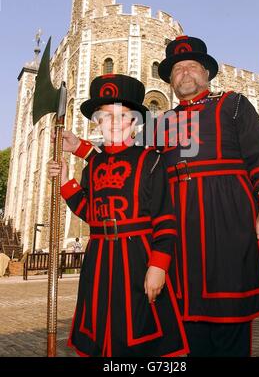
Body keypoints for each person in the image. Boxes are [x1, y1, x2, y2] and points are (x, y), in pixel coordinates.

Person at [60, 37, 259, 357]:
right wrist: (82, 148)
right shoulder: (160, 123)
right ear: (170, 80)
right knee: (184, 316)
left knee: (229, 314)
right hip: (177, 229)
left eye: (191, 67)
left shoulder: (233, 104)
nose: (184, 73)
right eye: (177, 69)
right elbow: (128, 160)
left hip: (226, 222)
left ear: (206, 73)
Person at [48, 74, 188, 357]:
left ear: (134, 122)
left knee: (141, 336)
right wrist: (65, 181)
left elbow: (165, 218)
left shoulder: (151, 159)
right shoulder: (93, 165)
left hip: (139, 256)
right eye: (105, 116)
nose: (113, 122)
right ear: (97, 122)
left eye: (122, 115)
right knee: (100, 332)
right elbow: (89, 211)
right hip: (98, 259)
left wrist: (159, 266)